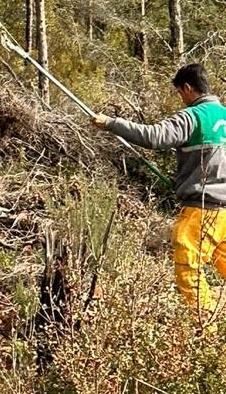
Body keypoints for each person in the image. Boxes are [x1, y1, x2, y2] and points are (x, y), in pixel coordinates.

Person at [91, 63, 226, 323]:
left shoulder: (193, 117)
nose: (182, 99)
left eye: (180, 93)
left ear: (187, 88)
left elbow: (153, 136)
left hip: (202, 211)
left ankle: (206, 332)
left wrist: (110, 123)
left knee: (190, 270)